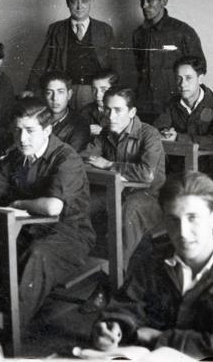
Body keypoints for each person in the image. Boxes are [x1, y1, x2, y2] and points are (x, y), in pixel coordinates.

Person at [91, 172, 213, 360]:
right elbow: (126, 306)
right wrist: (114, 327)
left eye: (193, 218)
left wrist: (158, 338)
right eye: (173, 220)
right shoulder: (151, 259)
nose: (183, 232)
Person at [0, 97, 95, 330]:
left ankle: (9, 334)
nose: (22, 138)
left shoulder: (66, 158)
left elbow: (53, 207)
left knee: (36, 255)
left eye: (30, 131)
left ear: (47, 129)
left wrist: (19, 202)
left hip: (69, 234)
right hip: (27, 231)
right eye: (18, 131)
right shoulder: (17, 154)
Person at [80, 87, 165, 312]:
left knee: (127, 213)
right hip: (115, 193)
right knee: (82, 207)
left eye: (118, 110)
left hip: (150, 198)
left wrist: (109, 165)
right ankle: (77, 269)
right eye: (107, 110)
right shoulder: (105, 134)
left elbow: (147, 174)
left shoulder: (149, 134)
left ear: (132, 111)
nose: (111, 116)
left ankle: (107, 286)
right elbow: (85, 158)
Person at [26, 0, 114, 110]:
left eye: (84, 1)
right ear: (68, 2)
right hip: (64, 91)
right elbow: (42, 62)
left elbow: (115, 66)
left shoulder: (104, 29)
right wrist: (30, 88)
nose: (79, 6)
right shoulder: (56, 29)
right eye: (74, 1)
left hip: (95, 93)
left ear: (91, 1)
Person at [153, 55, 213, 177]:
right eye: (178, 78)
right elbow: (158, 127)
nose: (182, 84)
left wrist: (178, 137)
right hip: (179, 169)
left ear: (200, 79)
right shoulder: (171, 104)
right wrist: (165, 133)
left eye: (188, 78)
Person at [133, 0, 204, 114]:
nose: (144, 6)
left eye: (149, 0)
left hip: (174, 107)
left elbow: (199, 68)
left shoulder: (183, 31)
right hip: (145, 106)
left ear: (164, 1)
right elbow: (137, 70)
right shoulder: (138, 34)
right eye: (142, 1)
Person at [41, 70, 91, 152]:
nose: (55, 98)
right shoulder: (36, 118)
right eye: (49, 92)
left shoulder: (80, 124)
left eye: (60, 92)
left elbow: (71, 159)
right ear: (43, 95)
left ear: (69, 95)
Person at [79, 69, 119, 137]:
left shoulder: (123, 111)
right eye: (94, 89)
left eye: (103, 90)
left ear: (114, 89)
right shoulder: (85, 111)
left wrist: (103, 132)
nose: (97, 94)